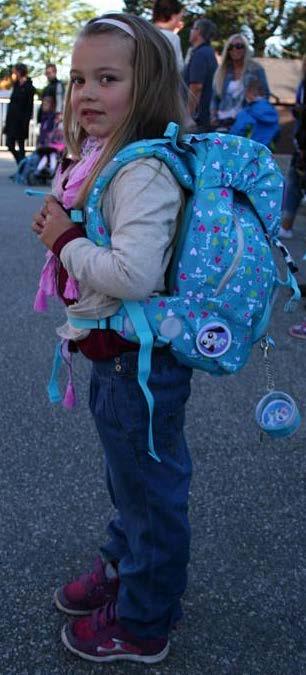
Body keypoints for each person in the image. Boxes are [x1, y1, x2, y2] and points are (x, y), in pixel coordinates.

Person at [32, 14, 192, 665]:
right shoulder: (108, 159)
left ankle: (146, 617)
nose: (86, 93)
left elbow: (134, 273)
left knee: (151, 491)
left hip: (140, 365)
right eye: (77, 80)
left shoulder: (143, 172)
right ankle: (124, 564)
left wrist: (65, 240)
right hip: (115, 356)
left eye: (107, 78)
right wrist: (67, 220)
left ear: (147, 86)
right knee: (128, 478)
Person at [210, 33, 270, 131]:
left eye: (239, 46)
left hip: (246, 122)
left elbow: (265, 95)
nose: (235, 49)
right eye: (231, 47)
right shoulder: (221, 71)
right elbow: (214, 98)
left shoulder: (256, 69)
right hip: (222, 123)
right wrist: (213, 118)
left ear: (245, 49)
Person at [279, 55, 306, 240]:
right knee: (294, 184)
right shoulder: (303, 85)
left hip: (303, 143)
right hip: (301, 143)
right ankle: (285, 226)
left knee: (295, 184)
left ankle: (285, 226)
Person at [184, 18, 218, 132]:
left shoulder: (200, 54)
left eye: (193, 28)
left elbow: (196, 87)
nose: (190, 31)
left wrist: (187, 117)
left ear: (198, 31)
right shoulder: (208, 52)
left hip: (197, 120)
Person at [230, 76, 280, 147]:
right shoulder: (272, 111)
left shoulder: (247, 112)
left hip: (248, 149)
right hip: (266, 150)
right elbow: (277, 132)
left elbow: (237, 130)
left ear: (249, 93)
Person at [4, 63, 35, 165]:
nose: (13, 74)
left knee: (21, 146)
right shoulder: (16, 85)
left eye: (14, 71)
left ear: (19, 72)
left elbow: (29, 106)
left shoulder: (29, 87)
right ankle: (22, 165)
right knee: (10, 144)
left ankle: (21, 171)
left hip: (21, 121)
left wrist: (26, 121)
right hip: (11, 120)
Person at [153, 0, 184, 71]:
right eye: (180, 18)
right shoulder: (173, 38)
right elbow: (178, 68)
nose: (180, 22)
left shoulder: (143, 32)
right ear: (173, 17)